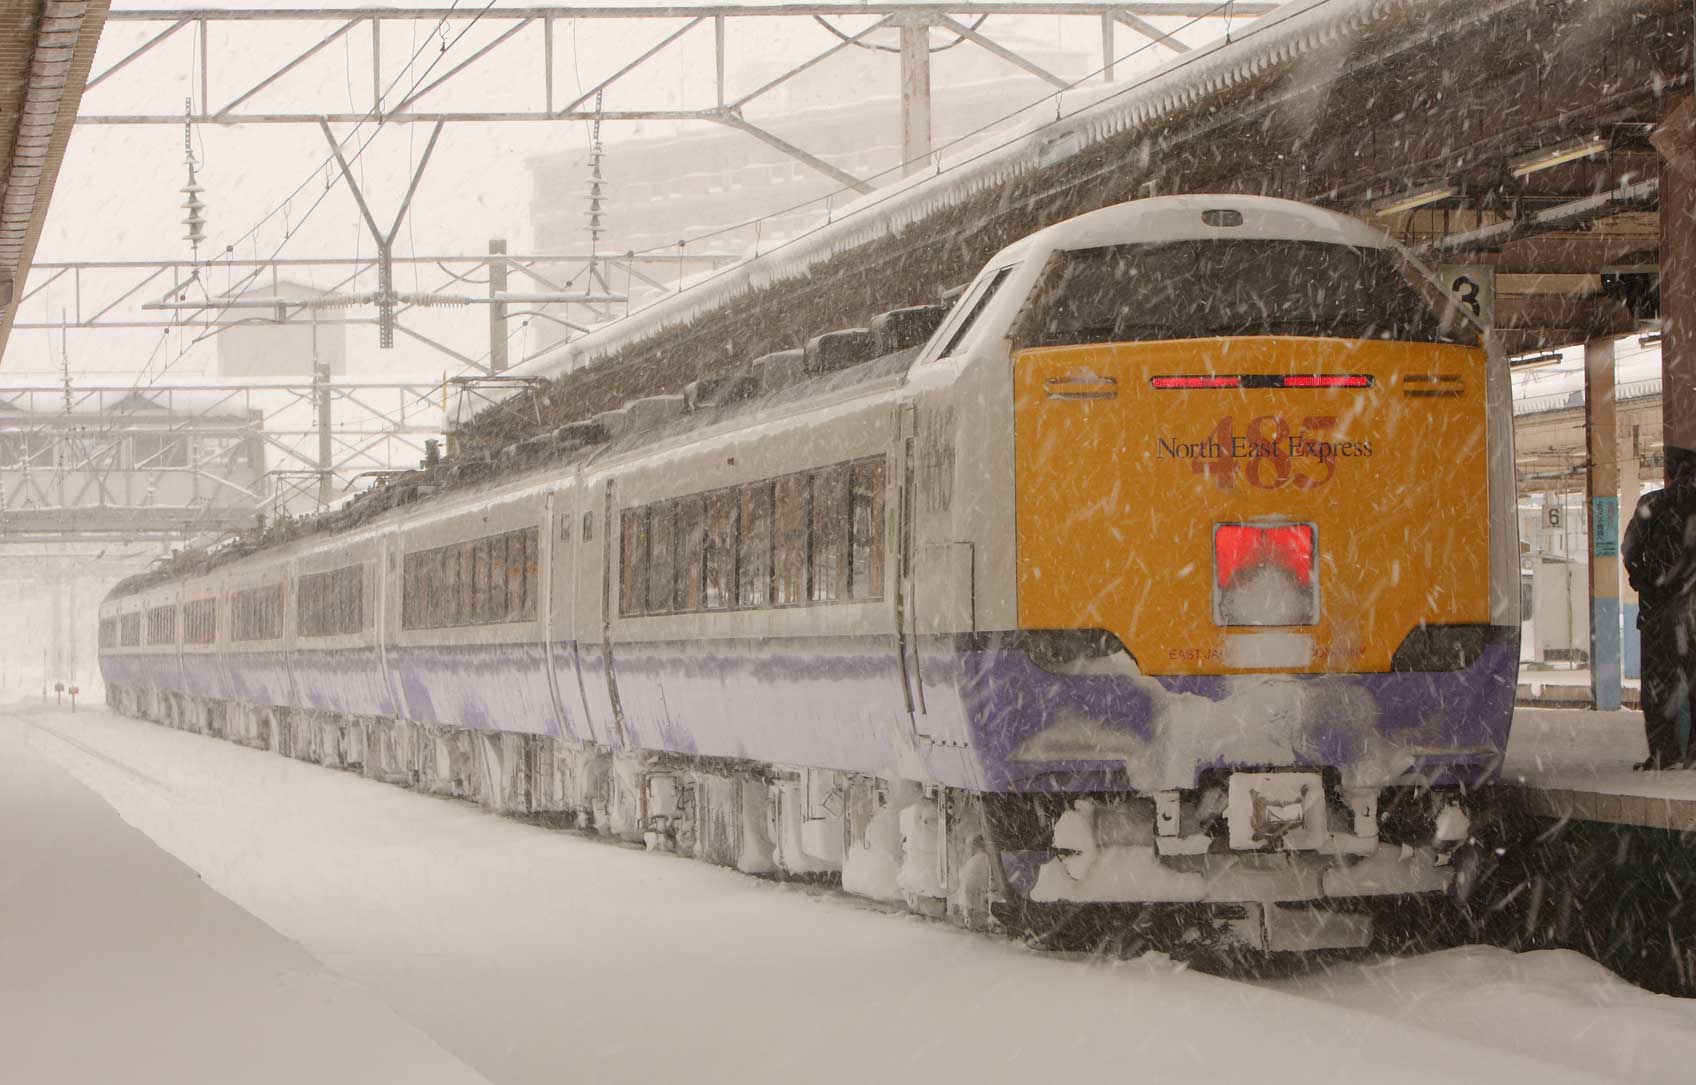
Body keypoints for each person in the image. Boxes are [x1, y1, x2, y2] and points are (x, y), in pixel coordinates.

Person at [1623, 461, 1696, 769]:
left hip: (1657, 614)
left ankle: (1664, 755)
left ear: (1671, 473)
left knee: (1658, 687)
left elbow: (1629, 551)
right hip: (1691, 612)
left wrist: (1651, 583)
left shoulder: (1651, 503)